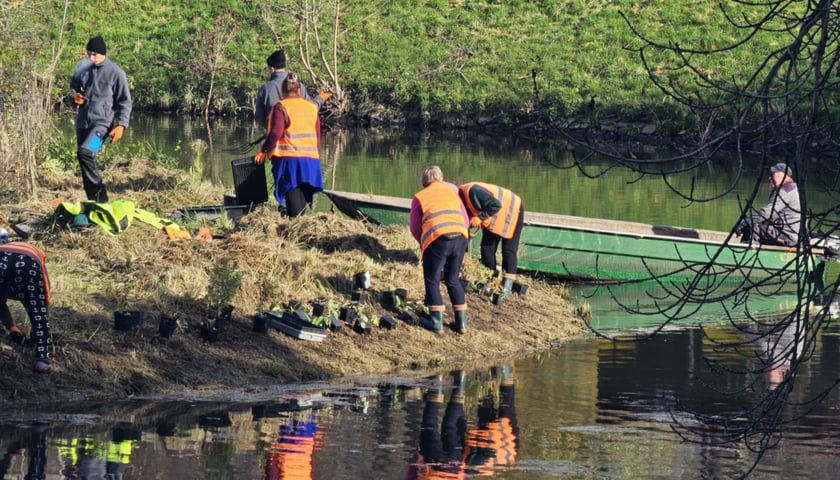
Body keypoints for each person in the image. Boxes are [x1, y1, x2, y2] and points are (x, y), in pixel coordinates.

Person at [70, 35, 132, 203]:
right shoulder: (84, 68)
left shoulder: (116, 73)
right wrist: (77, 95)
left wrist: (122, 125)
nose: (91, 58)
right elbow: (75, 85)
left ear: (103, 53)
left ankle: (101, 198)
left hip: (102, 126)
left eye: (94, 55)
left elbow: (125, 101)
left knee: (87, 152)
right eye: (89, 54)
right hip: (83, 124)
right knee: (84, 159)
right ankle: (93, 201)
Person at [254, 73, 324, 217]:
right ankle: (299, 225)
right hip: (310, 160)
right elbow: (317, 135)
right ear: (299, 90)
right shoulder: (312, 107)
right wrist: (316, 156)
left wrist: (263, 150)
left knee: (291, 192)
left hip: (289, 160)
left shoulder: (281, 107)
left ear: (283, 91)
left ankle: (294, 226)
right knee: (303, 193)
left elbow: (275, 132)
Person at [410, 166, 469, 333]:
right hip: (460, 237)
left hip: (437, 239)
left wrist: (424, 243)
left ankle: (436, 323)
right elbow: (465, 219)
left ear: (424, 181)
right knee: (453, 279)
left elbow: (415, 227)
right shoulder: (453, 193)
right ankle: (461, 324)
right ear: (441, 178)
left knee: (432, 280)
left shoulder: (420, 197)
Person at [458, 182, 524, 304]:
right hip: (494, 217)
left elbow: (496, 204)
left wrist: (480, 218)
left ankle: (506, 290)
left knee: (508, 250)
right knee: (486, 248)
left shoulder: (473, 191)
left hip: (512, 208)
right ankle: (491, 283)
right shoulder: (460, 204)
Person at [0, 241, 52, 372]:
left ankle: (13, 330)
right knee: (38, 310)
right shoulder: (38, 259)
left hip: (1, 257)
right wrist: (37, 330)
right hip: (28, 262)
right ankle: (42, 359)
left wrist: (12, 329)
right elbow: (45, 295)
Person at [255, 49, 327, 129]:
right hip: (297, 134)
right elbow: (311, 107)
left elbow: (259, 120)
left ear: (272, 69)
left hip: (275, 135)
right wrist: (320, 98)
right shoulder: (299, 86)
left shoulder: (265, 89)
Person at [737, 162, 801, 246]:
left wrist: (743, 223)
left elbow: (766, 213)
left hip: (787, 237)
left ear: (783, 175)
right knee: (754, 222)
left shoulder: (784, 191)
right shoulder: (791, 188)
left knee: (753, 224)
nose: (770, 177)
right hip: (788, 235)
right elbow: (772, 217)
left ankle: (748, 252)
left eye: (773, 174)